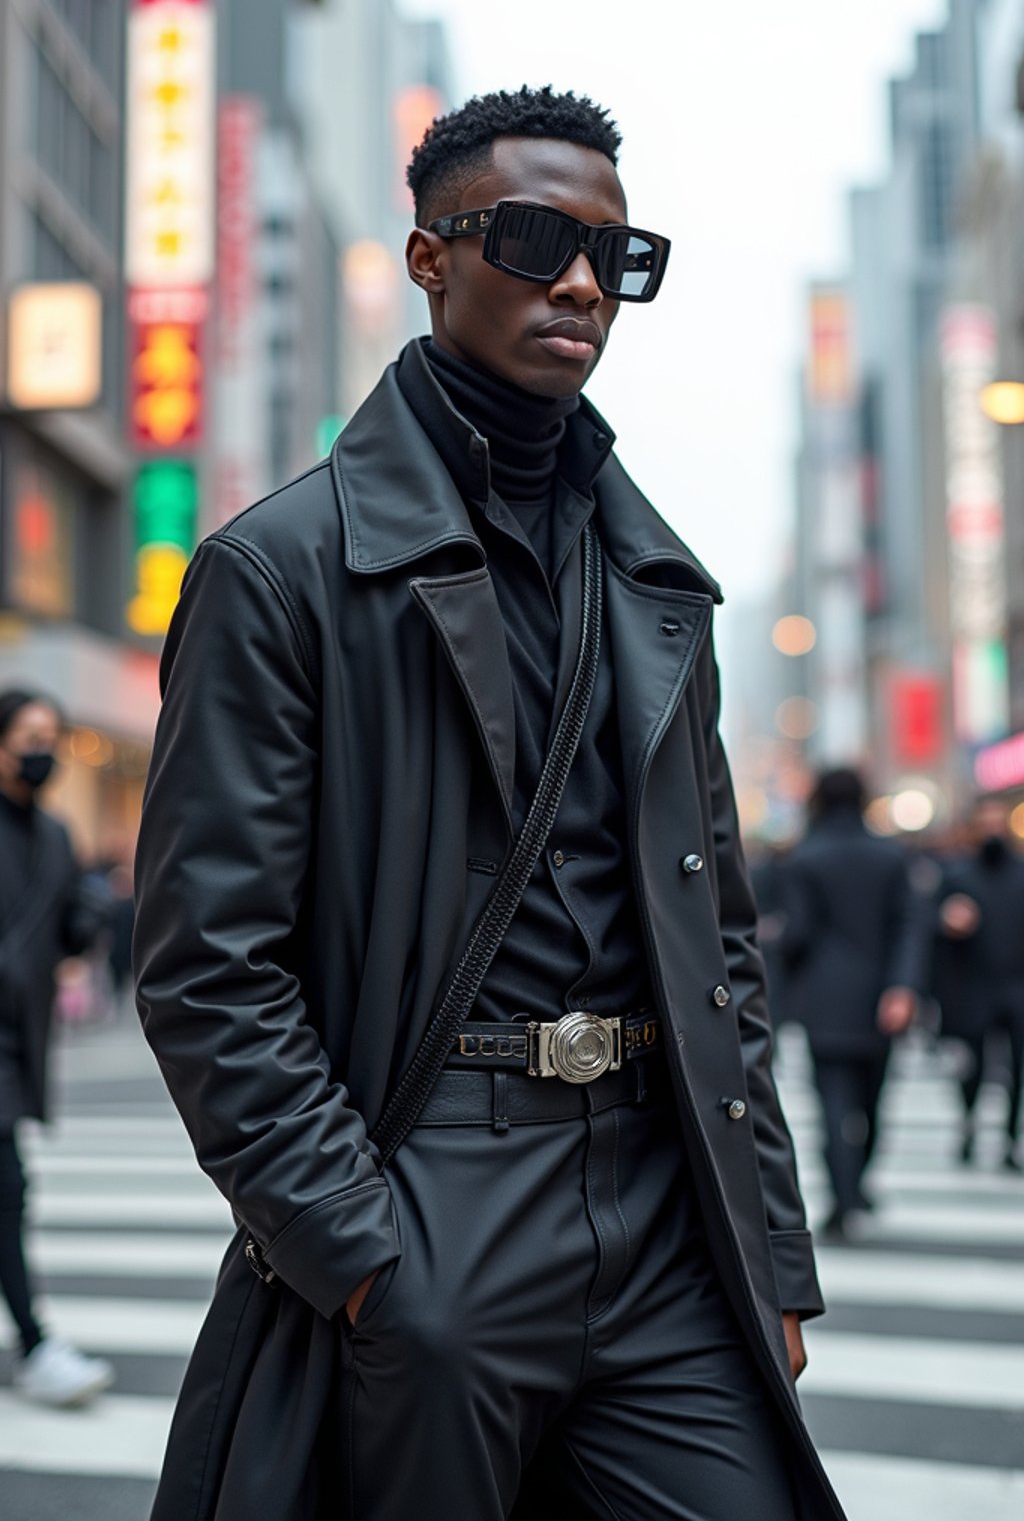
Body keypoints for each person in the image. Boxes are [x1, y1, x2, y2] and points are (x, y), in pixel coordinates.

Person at [134, 88, 845, 1520]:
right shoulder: (281, 570)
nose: (581, 281)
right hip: (431, 1177)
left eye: (615, 255)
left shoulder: (658, 585)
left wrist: (768, 1247)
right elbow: (208, 963)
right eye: (532, 239)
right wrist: (365, 1262)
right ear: (429, 257)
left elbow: (724, 946)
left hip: (661, 1201)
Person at [0, 688, 114, 1406]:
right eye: (29, 734)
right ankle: (36, 1343)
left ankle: (36, 1344)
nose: (42, 749)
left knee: (7, 1188)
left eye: (52, 736)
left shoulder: (53, 837)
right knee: (7, 1188)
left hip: (18, 1037)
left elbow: (71, 932)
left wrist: (93, 914)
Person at [782, 769, 921, 1241]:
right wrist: (903, 987)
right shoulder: (891, 855)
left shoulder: (807, 857)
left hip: (824, 997)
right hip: (881, 997)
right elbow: (909, 926)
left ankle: (843, 1200)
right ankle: (857, 1185)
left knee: (832, 1102)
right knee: (873, 1099)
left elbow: (797, 933)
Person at [936, 795, 1024, 1171]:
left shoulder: (1020, 873)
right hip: (972, 988)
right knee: (972, 1067)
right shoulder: (957, 875)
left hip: (1017, 986)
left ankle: (1008, 1138)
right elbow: (931, 934)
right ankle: (969, 1124)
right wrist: (947, 921)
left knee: (1016, 1069)